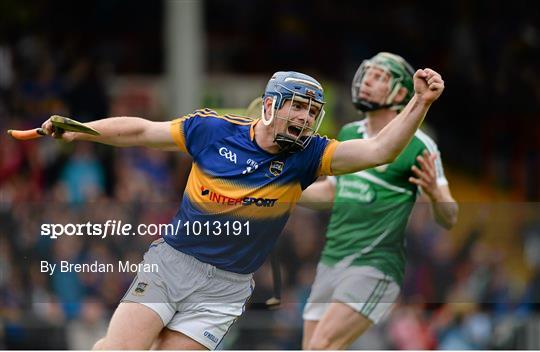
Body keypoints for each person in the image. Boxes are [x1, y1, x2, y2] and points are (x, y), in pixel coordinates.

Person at [41, 68, 444, 350]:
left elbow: (379, 150)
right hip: (172, 264)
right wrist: (82, 130)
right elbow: (142, 130)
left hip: (226, 289)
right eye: (297, 107)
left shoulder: (309, 156)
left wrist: (420, 102)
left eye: (311, 112)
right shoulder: (212, 129)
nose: (305, 119)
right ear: (270, 105)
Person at [300, 52, 458, 350]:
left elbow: (449, 218)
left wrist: (437, 196)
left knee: (321, 346)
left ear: (400, 92)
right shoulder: (349, 133)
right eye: (367, 73)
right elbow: (332, 193)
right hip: (333, 260)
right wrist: (283, 191)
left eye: (379, 77)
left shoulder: (421, 145)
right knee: (311, 347)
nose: (366, 81)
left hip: (376, 266)